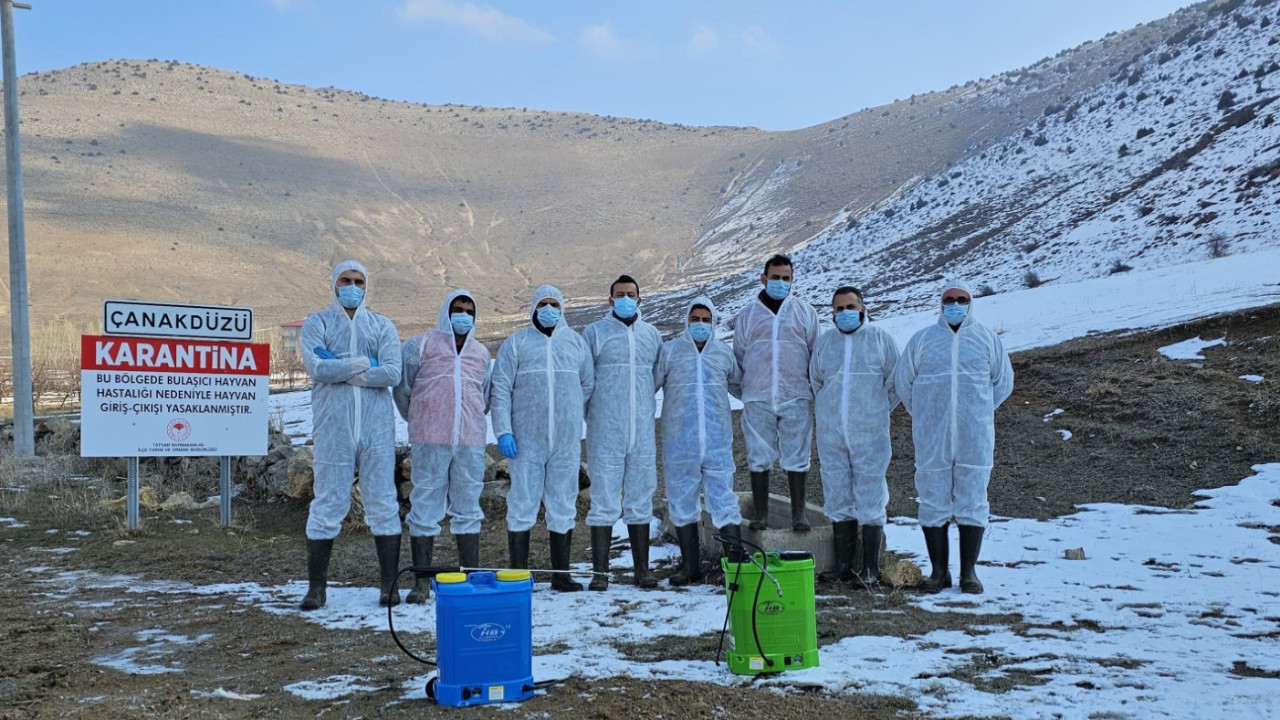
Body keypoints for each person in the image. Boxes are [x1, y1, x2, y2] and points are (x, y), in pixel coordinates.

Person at [894, 279, 1014, 595]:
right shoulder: (922, 341)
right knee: (932, 499)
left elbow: (1003, 384)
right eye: (950, 299)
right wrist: (926, 414)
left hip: (974, 436)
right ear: (941, 303)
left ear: (971, 303)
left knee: (973, 499)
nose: (956, 304)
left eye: (962, 299)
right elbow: (903, 384)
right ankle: (938, 572)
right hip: (932, 436)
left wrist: (977, 411)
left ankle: (969, 573)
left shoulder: (987, 340)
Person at [299, 260, 403, 610]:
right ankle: (317, 588)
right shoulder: (318, 323)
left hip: (377, 427)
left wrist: (343, 366)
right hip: (333, 426)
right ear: (334, 284)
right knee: (328, 500)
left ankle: (389, 584)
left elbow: (391, 372)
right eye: (346, 280)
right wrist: (365, 364)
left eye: (359, 281)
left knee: (382, 502)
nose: (353, 286)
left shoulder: (381, 325)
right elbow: (316, 367)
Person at [489, 285, 595, 592]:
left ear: (562, 308)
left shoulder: (575, 343)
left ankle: (561, 575)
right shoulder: (517, 343)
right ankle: (519, 575)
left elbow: (586, 385)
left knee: (563, 504)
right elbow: (501, 389)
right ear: (534, 308)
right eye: (543, 304)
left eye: (554, 304)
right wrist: (504, 430)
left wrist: (569, 412)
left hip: (565, 441)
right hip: (525, 442)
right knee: (522, 502)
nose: (549, 309)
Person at [393, 290, 491, 604]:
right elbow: (403, 389)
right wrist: (422, 417)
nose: (462, 316)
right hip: (429, 437)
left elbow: (484, 396)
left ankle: (469, 575)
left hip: (470, 439)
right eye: (457, 309)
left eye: (468, 311)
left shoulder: (481, 353)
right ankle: (422, 581)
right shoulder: (419, 346)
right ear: (444, 312)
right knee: (425, 505)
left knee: (468, 505)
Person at [810, 286, 900, 587]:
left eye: (851, 306)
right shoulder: (825, 344)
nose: (845, 312)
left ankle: (870, 569)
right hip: (832, 432)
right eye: (839, 308)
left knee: (871, 494)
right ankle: (844, 565)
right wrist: (829, 411)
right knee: (837, 493)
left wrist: (874, 410)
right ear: (832, 313)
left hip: (870, 432)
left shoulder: (880, 340)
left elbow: (894, 382)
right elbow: (817, 382)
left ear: (862, 308)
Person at [656, 297, 744, 586]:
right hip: (679, 443)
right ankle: (690, 568)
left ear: (714, 323)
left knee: (725, 501)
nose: (701, 324)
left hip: (718, 442)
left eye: (707, 320)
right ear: (686, 321)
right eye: (696, 319)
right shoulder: (669, 353)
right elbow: (648, 385)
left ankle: (737, 567)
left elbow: (740, 385)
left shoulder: (723, 354)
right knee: (682, 502)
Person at [582, 275, 663, 590]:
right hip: (605, 430)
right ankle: (600, 573)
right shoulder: (595, 334)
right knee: (603, 499)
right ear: (610, 299)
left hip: (641, 430)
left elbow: (654, 378)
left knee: (640, 498)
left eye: (631, 294)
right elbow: (585, 380)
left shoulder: (651, 336)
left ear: (640, 299)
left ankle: (642, 571)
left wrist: (640, 407)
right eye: (620, 294)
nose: (626, 299)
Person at [733, 254, 820, 533]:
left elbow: (815, 353)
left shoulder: (805, 312)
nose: (780, 283)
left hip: (795, 395)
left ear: (792, 280)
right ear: (763, 278)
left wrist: (808, 389)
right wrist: (747, 391)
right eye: (775, 277)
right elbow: (739, 356)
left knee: (797, 454)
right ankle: (760, 514)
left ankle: (798, 514)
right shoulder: (747, 315)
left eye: (786, 278)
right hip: (758, 397)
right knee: (759, 454)